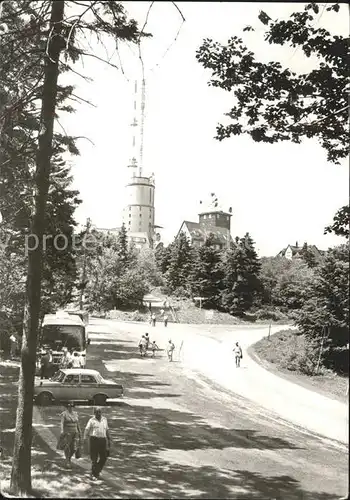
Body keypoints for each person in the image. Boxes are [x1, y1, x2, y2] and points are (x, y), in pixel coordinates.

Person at [84, 407, 110, 481]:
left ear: (101, 412)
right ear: (94, 413)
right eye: (96, 412)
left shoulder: (104, 419)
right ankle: (94, 474)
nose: (98, 413)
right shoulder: (91, 420)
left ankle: (96, 471)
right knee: (94, 458)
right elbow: (87, 429)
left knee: (104, 457)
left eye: (99, 412)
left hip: (103, 440)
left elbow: (107, 430)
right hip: (94, 440)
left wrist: (109, 439)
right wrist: (85, 438)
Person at [57, 402, 82, 468]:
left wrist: (80, 432)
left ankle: (68, 459)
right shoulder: (64, 414)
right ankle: (68, 462)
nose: (70, 407)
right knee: (67, 447)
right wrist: (62, 430)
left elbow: (77, 424)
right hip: (67, 432)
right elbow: (62, 423)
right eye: (69, 406)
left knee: (74, 448)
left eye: (71, 406)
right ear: (67, 407)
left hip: (75, 432)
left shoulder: (76, 414)